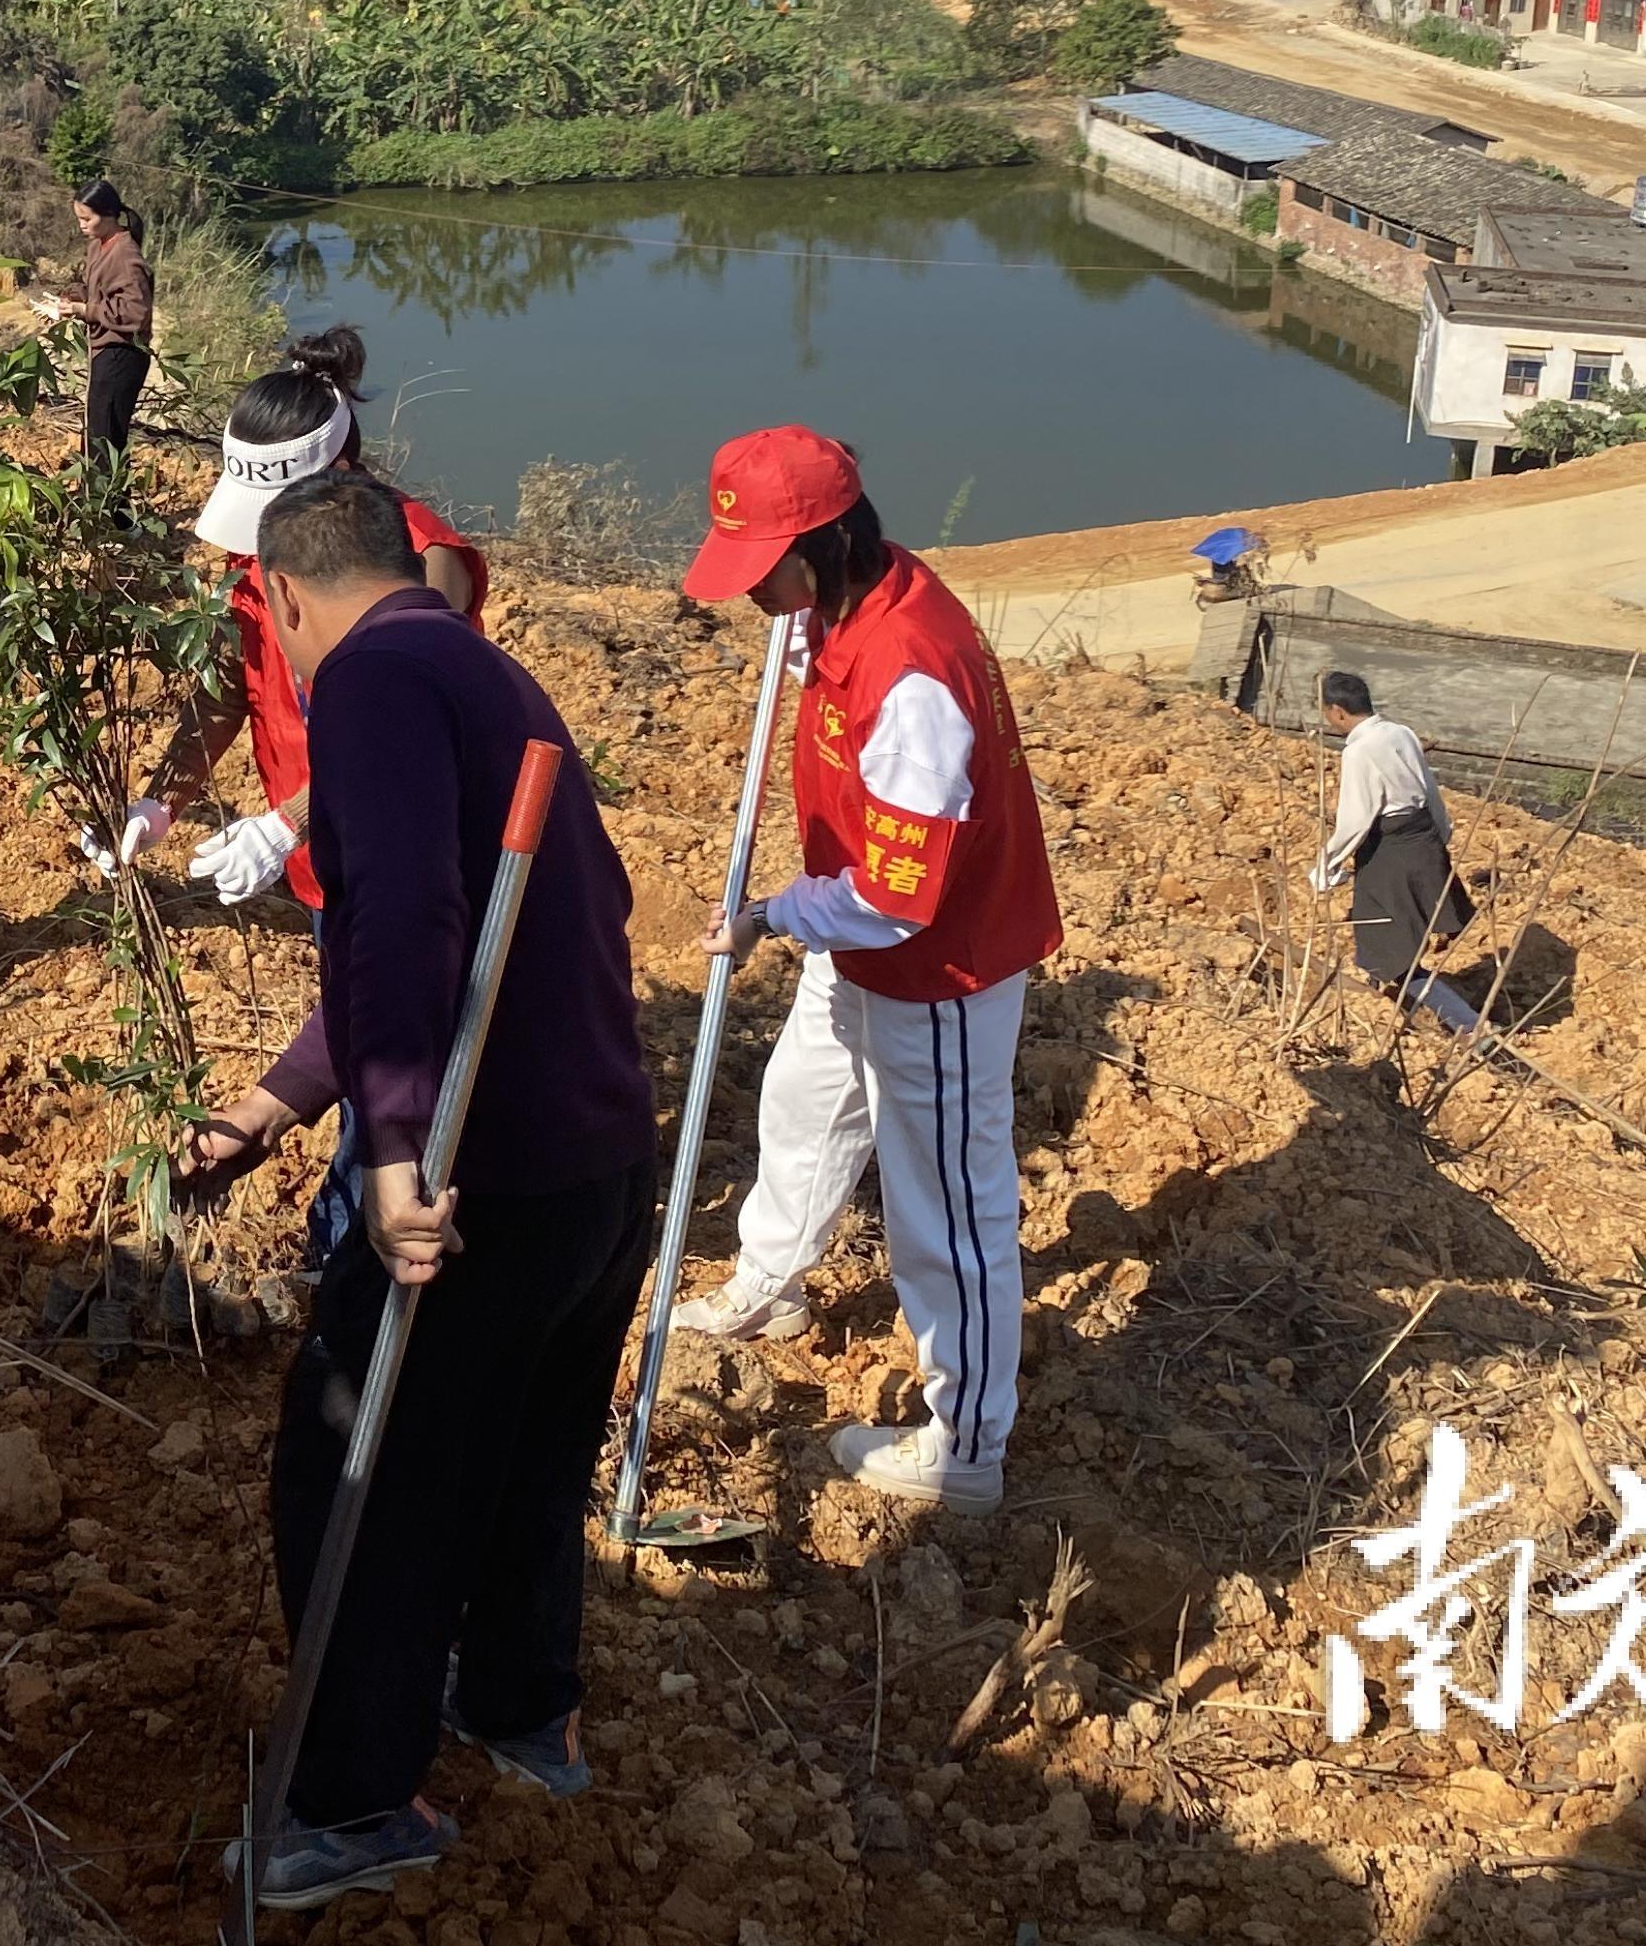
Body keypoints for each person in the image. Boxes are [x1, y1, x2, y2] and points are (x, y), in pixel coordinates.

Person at [177, 469, 654, 1915]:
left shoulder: (371, 684)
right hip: (598, 1171)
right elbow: (483, 927)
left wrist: (390, 1153)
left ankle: (351, 1803)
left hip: (478, 1181)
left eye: (276, 634)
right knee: (519, 1454)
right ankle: (522, 1708)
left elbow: (401, 926)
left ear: (290, 601)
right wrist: (271, 1108)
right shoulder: (482, 672)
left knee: (356, 1470)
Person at [667, 426, 1062, 1516]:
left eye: (768, 576)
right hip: (858, 934)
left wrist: (770, 914)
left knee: (945, 1203)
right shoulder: (843, 608)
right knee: (804, 1098)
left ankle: (966, 1446)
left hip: (937, 963)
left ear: (830, 545)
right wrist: (803, 640)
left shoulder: (911, 676)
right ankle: (770, 1283)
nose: (754, 599)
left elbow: (897, 899)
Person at [115, 329, 486, 908]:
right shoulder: (259, 552)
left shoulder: (421, 563)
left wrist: (289, 823)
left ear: (340, 471)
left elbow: (403, 729)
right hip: (315, 854)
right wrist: (163, 799)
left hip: (417, 851)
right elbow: (233, 683)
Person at [1309, 668, 1471, 1000]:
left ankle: (1465, 1022)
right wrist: (1440, 837)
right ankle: (1384, 1001)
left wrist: (1326, 867)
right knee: (1392, 941)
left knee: (1390, 948)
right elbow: (1430, 790)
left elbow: (1356, 819)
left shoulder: (1358, 750)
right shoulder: (1401, 733)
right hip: (1422, 839)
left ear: (1337, 711)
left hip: (1390, 852)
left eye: (1327, 714)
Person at [32, 182, 155, 480]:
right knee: (98, 433)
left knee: (106, 439)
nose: (82, 225)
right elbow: (96, 290)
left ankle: (116, 518)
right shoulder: (99, 245)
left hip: (122, 355)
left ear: (110, 214)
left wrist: (83, 311)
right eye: (79, 218)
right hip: (105, 351)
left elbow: (135, 313)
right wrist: (71, 298)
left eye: (87, 219)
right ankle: (105, 511)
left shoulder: (126, 255)